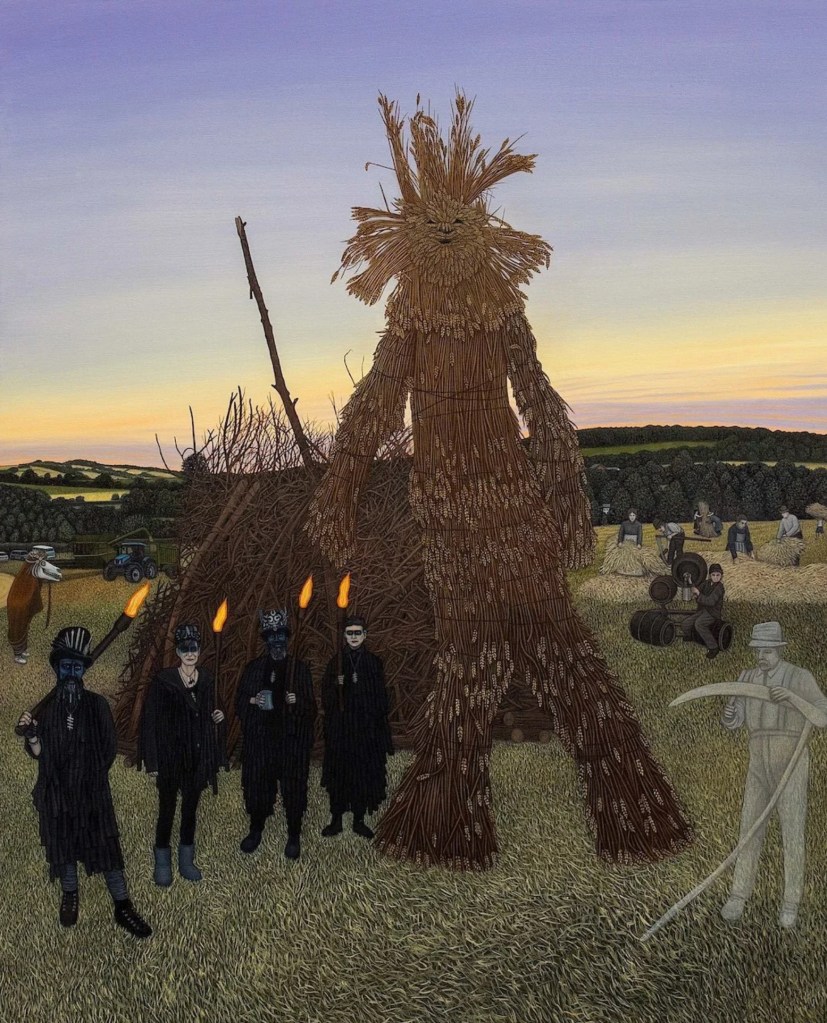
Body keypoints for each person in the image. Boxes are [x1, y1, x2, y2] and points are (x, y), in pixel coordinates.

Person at [16, 626, 151, 937]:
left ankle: (123, 906)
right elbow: (38, 754)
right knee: (63, 846)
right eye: (66, 667)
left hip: (92, 794)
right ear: (57, 668)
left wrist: (87, 777)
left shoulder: (97, 706)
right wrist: (33, 735)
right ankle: (70, 895)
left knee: (106, 849)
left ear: (83, 671)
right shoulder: (46, 711)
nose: (71, 674)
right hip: (57, 795)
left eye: (77, 668)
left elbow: (108, 749)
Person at [720, 622, 827, 929]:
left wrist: (792, 697)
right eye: (758, 651)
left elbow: (822, 716)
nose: (761, 657)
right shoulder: (747, 678)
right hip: (758, 760)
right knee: (749, 828)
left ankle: (790, 903)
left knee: (792, 832)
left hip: (790, 760)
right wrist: (730, 716)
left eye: (767, 651)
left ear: (779, 650)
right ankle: (738, 895)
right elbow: (735, 721)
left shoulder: (798, 676)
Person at [138, 623, 226, 886]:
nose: (190, 653)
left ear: (199, 650)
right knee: (166, 809)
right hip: (171, 757)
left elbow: (213, 709)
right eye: (185, 648)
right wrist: (152, 760)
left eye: (194, 648)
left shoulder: (207, 679)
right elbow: (150, 721)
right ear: (177, 651)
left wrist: (218, 716)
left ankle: (186, 861)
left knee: (190, 810)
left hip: (196, 758)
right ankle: (162, 863)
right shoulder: (164, 681)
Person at [235, 609, 316, 860]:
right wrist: (254, 700)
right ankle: (255, 829)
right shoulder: (254, 669)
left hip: (290, 740)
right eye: (272, 636)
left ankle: (294, 834)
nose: (277, 640)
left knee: (293, 787)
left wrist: (297, 701)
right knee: (258, 785)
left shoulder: (298, 669)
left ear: (287, 638)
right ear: (266, 640)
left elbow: (312, 709)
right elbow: (240, 702)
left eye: (281, 635)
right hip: (261, 740)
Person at [321, 615, 394, 840]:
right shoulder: (336, 662)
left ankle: (359, 820)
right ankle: (336, 819)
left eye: (357, 633)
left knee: (362, 774)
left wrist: (367, 705)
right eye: (350, 633)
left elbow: (381, 697)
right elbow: (326, 696)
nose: (353, 637)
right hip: (342, 730)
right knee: (340, 774)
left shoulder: (373, 663)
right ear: (344, 636)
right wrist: (336, 686)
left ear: (365, 635)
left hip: (364, 730)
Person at [681, 564, 725, 659]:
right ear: (710, 575)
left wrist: (698, 594)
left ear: (721, 576)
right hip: (703, 610)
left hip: (712, 613)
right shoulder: (706, 583)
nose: (715, 577)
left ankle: (713, 647)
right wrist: (690, 582)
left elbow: (710, 602)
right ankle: (690, 636)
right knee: (685, 623)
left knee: (699, 624)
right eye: (713, 575)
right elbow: (697, 590)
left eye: (718, 575)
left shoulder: (719, 588)